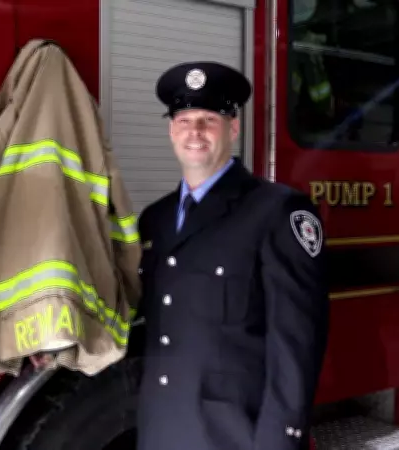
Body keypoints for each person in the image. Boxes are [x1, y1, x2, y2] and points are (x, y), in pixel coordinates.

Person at [135, 61, 330, 450]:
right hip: (161, 426)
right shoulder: (154, 220)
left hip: (234, 433)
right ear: (172, 130)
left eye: (209, 119)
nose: (195, 131)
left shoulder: (278, 212)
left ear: (234, 127)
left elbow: (295, 344)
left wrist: (280, 440)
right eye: (184, 119)